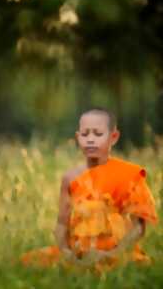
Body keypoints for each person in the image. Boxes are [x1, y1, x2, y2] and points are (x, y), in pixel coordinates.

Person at [21, 108, 157, 271]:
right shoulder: (70, 178)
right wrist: (68, 253)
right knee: (31, 261)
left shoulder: (128, 174)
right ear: (78, 138)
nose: (90, 140)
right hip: (78, 253)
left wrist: (111, 254)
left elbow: (138, 228)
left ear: (113, 137)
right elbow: (61, 225)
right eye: (85, 135)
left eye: (98, 134)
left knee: (130, 265)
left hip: (116, 253)